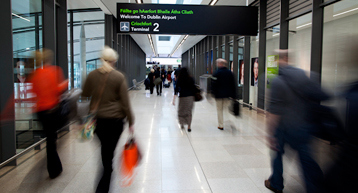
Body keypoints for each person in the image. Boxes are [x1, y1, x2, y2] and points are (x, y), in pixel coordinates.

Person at [265, 50, 329, 193]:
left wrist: (270, 134)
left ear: (280, 60)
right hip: (303, 126)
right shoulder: (305, 76)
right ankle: (315, 188)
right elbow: (323, 95)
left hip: (283, 127)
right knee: (306, 160)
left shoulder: (278, 81)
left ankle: (276, 184)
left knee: (277, 155)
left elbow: (274, 112)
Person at [82, 46, 134, 193]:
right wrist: (131, 122)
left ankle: (106, 170)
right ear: (114, 61)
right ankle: (103, 185)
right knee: (108, 153)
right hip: (115, 121)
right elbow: (125, 103)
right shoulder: (119, 76)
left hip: (98, 121)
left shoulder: (92, 75)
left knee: (106, 149)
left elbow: (85, 94)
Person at [30, 49, 68, 179]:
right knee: (51, 140)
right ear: (49, 59)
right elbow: (57, 90)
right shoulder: (54, 71)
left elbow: (34, 93)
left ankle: (55, 167)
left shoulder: (34, 74)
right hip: (52, 111)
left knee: (50, 138)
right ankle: (53, 169)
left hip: (40, 112)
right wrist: (65, 83)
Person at [211, 58, 236, 130]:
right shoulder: (230, 73)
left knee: (219, 110)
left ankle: (221, 125)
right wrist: (234, 96)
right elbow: (233, 85)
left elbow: (213, 84)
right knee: (226, 109)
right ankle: (228, 122)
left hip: (219, 95)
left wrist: (213, 93)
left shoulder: (217, 73)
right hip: (227, 95)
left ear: (220, 64)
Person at [172, 68, 196, 132]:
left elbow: (176, 89)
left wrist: (174, 99)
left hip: (182, 97)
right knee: (189, 111)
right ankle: (189, 126)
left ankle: (182, 124)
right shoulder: (191, 78)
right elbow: (194, 88)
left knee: (181, 111)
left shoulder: (180, 78)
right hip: (190, 97)